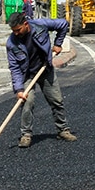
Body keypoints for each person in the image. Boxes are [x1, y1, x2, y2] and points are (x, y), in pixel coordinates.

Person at [5, 12, 76, 148]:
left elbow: (63, 24)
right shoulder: (11, 44)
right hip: (27, 75)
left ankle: (63, 130)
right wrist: (19, 89)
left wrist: (58, 44)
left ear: (25, 24)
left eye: (18, 30)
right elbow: (14, 68)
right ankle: (26, 135)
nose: (16, 33)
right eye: (13, 31)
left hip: (45, 70)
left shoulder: (39, 25)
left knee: (56, 100)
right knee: (27, 102)